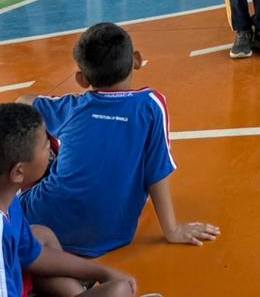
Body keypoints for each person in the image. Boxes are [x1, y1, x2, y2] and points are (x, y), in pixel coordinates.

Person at [15, 23, 219, 259]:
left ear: (82, 79)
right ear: (137, 60)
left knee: (38, 137)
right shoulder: (150, 106)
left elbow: (23, 103)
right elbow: (156, 171)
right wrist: (171, 230)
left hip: (40, 219)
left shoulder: (71, 107)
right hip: (113, 233)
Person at [2, 103, 137, 297]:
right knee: (118, 292)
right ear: (18, 172)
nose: (51, 149)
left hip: (13, 279)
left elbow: (34, 254)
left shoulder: (7, 196)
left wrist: (102, 272)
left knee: (41, 234)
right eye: (45, 146)